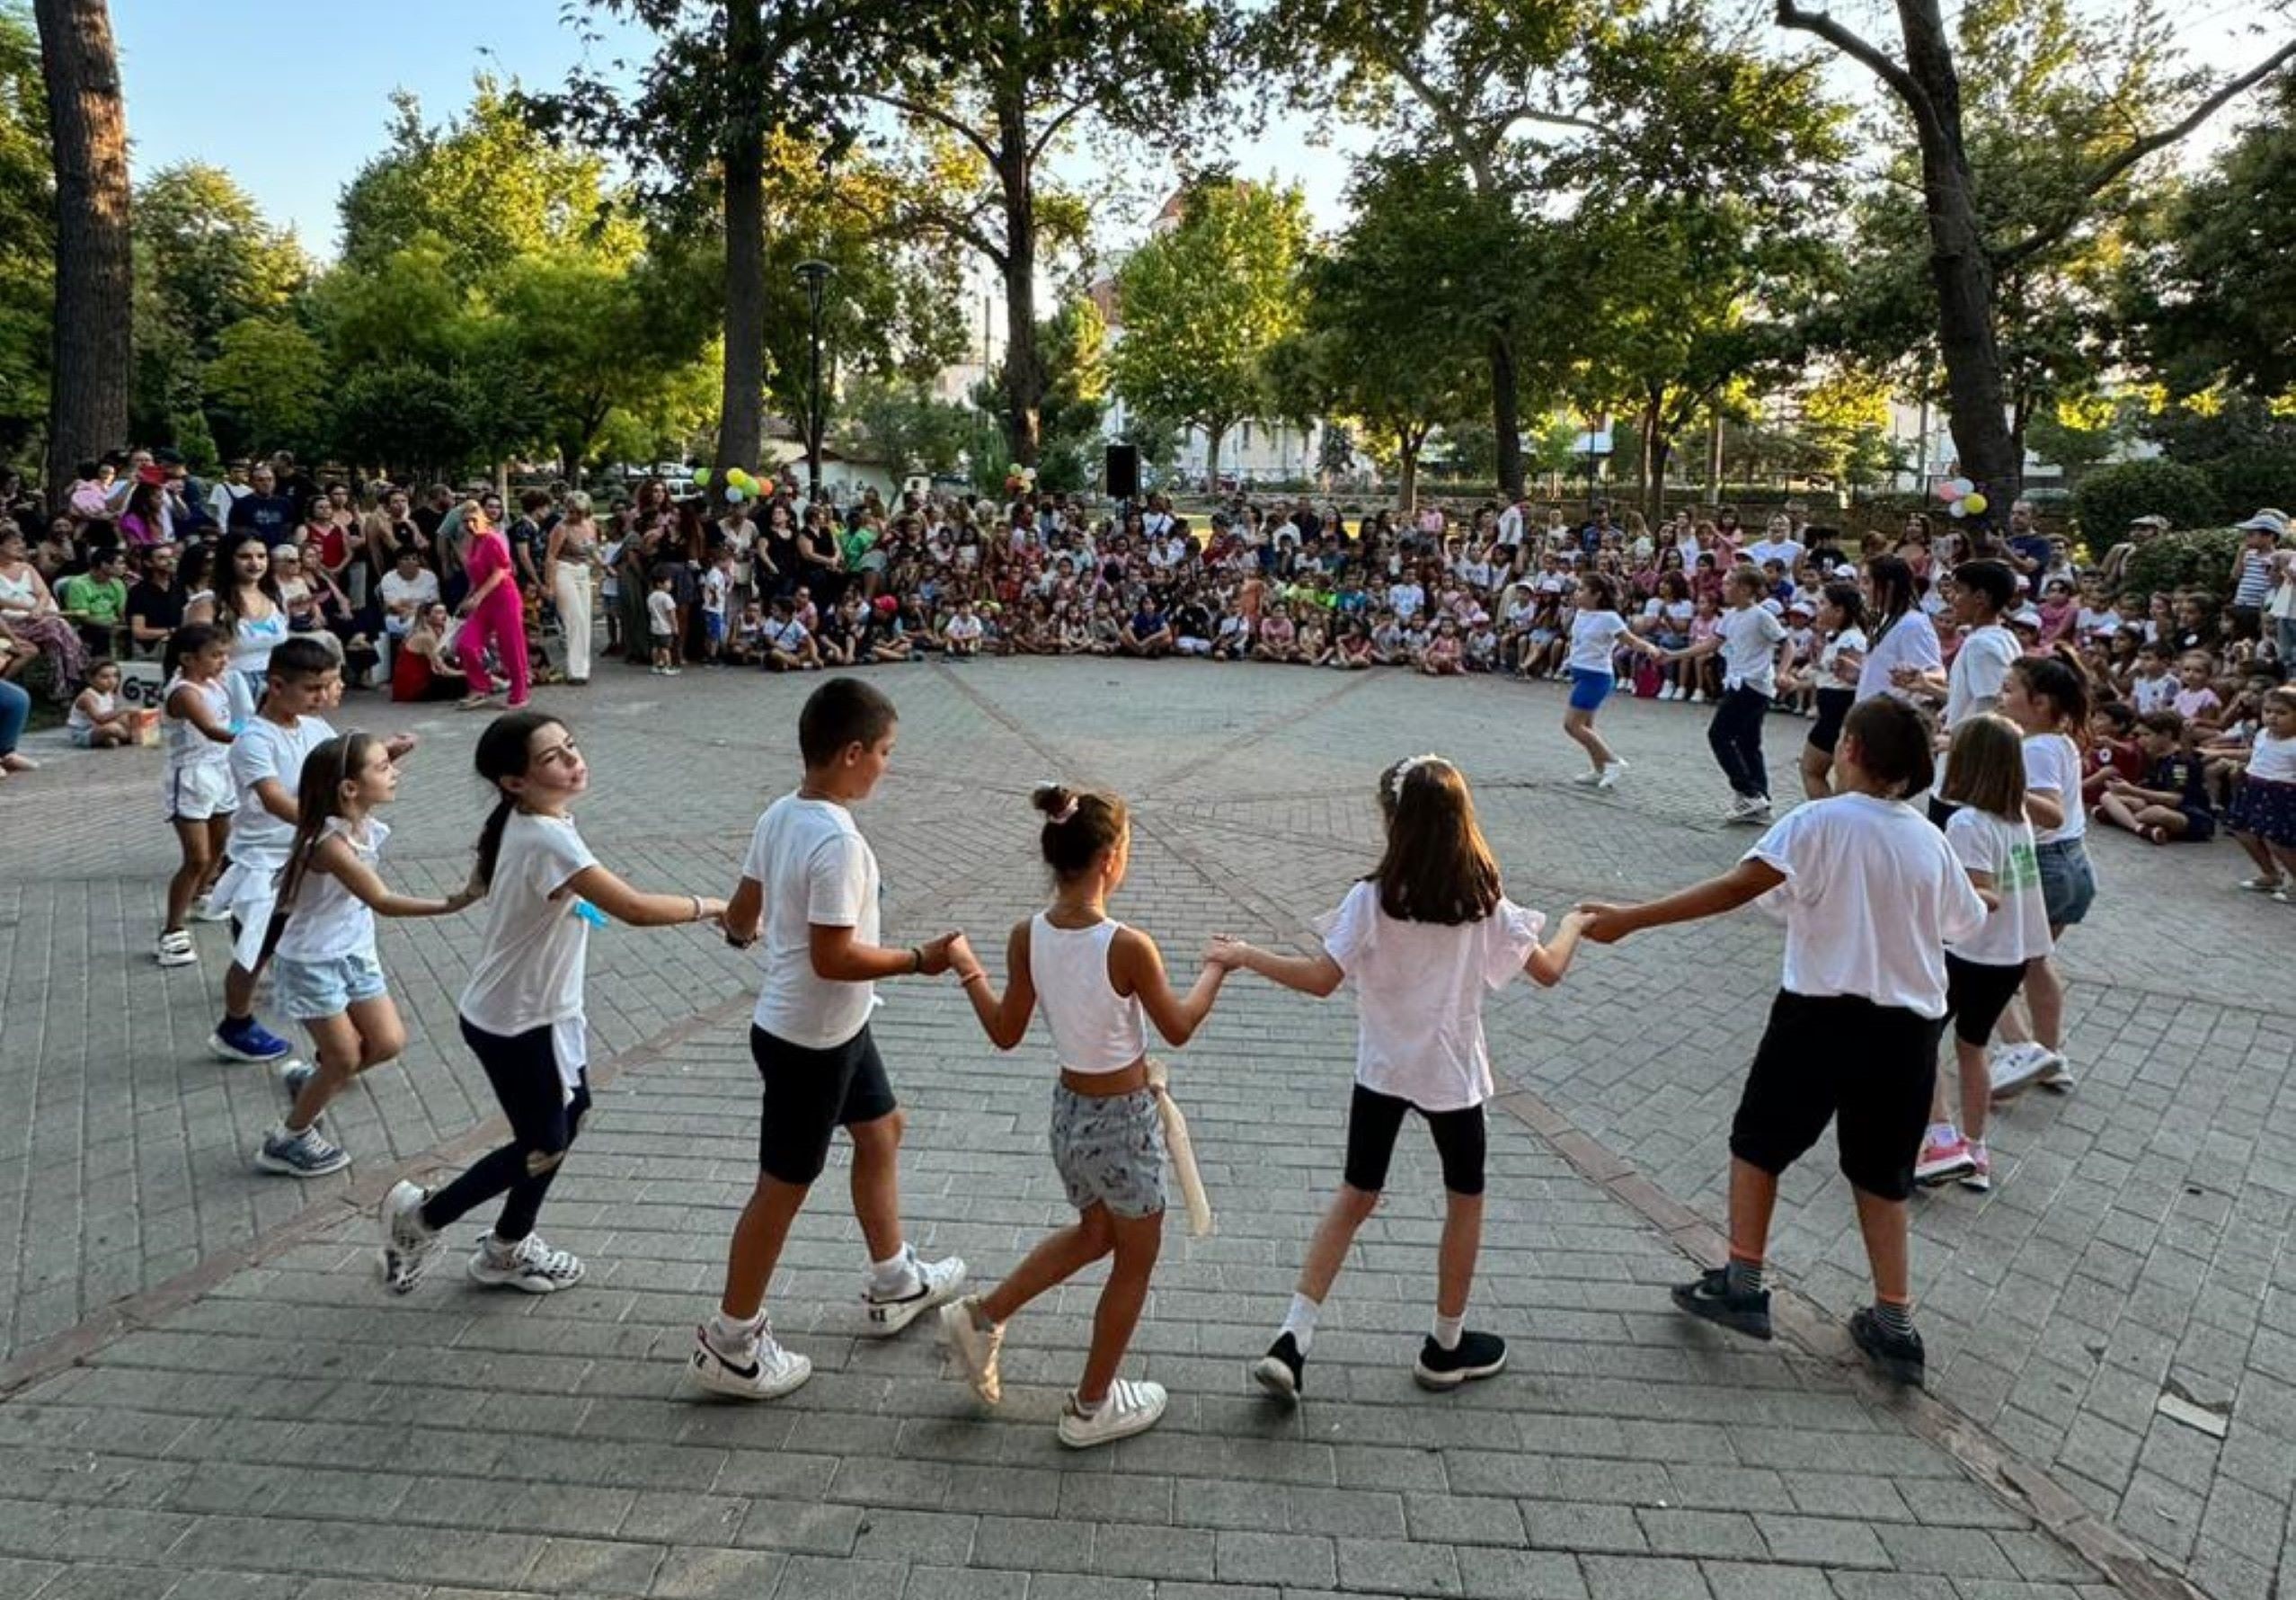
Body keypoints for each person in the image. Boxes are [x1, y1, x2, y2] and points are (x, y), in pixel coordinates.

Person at [1579, 698, 1987, 1388]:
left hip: (1819, 1015)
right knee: (1880, 1172)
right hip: (1908, 1031)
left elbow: (1739, 886)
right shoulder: (1927, 839)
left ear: (1850, 748)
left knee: (1758, 1142)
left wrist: (1631, 918)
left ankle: (1743, 1279)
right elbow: (1964, 922)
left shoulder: (1818, 821)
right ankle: (1895, 1322)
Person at [1212, 755, 1590, 1401]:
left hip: (1382, 1071)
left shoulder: (1372, 898)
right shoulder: (1481, 899)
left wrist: (1245, 956)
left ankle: (1293, 1336)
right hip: (1452, 1076)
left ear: (1392, 821)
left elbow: (1320, 980)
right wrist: (1576, 923)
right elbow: (1549, 970)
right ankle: (1445, 1345)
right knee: (1463, 1200)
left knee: (1355, 1196)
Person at [379, 712, 727, 1293]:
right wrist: (714, 905)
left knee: (568, 1118)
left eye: (572, 746)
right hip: (516, 1021)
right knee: (544, 1143)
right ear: (514, 781)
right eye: (553, 758)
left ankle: (506, 1246)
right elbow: (635, 908)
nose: (573, 760)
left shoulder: (538, 820)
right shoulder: (543, 835)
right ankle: (421, 1219)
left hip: (542, 1011)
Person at [689, 678, 967, 1400]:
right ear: (850, 754)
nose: (886, 765)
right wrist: (919, 958)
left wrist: (749, 930)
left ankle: (894, 1278)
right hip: (809, 1037)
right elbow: (833, 956)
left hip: (836, 1024)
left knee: (881, 1131)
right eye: (884, 751)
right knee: (780, 1191)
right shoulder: (837, 843)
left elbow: (741, 915)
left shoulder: (783, 812)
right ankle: (730, 1341)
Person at [935, 784, 1228, 1446]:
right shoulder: (1126, 944)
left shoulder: (1026, 935)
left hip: (1069, 1116)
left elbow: (1006, 1032)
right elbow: (1177, 1026)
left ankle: (981, 1316)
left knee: (1096, 1233)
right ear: (1110, 858)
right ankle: (1093, 1405)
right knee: (1135, 1259)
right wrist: (1218, 968)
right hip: (1121, 1122)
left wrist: (966, 968)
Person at [253, 733, 482, 1176]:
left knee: (387, 1042)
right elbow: (381, 899)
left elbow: (344, 761)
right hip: (312, 961)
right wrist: (455, 902)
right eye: (383, 769)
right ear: (348, 789)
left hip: (354, 951)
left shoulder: (357, 821)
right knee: (344, 1057)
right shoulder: (329, 846)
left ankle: (314, 1081)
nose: (395, 773)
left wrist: (380, 752)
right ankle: (288, 1137)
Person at [1910, 717, 2048, 1193]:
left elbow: (1974, 894)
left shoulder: (1968, 823)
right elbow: (2023, 890)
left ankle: (1940, 1137)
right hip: (2010, 956)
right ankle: (1977, 1146)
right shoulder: (2019, 820)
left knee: (1920, 1041)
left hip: (1967, 952)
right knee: (1973, 1047)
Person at [1985, 655, 2092, 1098]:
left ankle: (2021, 1049)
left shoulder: (2038, 748)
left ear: (2041, 702)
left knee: (1989, 963)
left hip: (2043, 866)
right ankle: (2047, 1054)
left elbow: (2049, 811)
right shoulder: (2056, 740)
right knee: (2034, 959)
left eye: (2009, 689)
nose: (2000, 696)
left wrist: (1994, 783)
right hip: (2072, 864)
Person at [1666, 566, 1787, 823]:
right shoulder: (1730, 617)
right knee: (1747, 743)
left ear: (1744, 588)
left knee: (1719, 735)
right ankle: (1759, 801)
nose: (1724, 587)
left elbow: (1787, 643)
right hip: (1735, 681)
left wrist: (1782, 672)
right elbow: (1711, 644)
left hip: (1753, 685)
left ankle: (1748, 791)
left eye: (1729, 583)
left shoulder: (1761, 616)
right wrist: (1673, 655)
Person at [156, 625, 238, 968]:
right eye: (215, 655)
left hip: (221, 773)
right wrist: (262, 735)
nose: (223, 661)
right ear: (188, 659)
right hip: (190, 777)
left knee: (222, 845)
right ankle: (172, 931)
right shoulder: (185, 692)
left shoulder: (214, 684)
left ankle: (203, 896)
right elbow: (213, 730)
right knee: (197, 858)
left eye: (224, 654)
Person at [1560, 573, 1661, 790]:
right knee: (1587, 726)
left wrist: (1649, 648)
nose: (1576, 594)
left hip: (1597, 676)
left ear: (1597, 595)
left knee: (1571, 725)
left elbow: (1629, 640)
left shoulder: (1609, 618)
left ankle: (1613, 762)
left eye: (1582, 590)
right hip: (1581, 672)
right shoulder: (1580, 614)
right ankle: (1598, 770)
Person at [1792, 582, 1868, 800]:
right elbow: (1827, 678)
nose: (1819, 610)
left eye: (1823, 603)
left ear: (1839, 610)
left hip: (1839, 711)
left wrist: (1835, 666)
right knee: (1817, 770)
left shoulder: (1851, 639)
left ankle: (1831, 818)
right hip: (1831, 709)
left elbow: (1851, 676)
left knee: (1814, 770)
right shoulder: (1837, 637)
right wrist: (1798, 684)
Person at [456, 501, 531, 710]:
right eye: (465, 521)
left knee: (511, 646)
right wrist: (469, 597)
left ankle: (520, 690)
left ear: (482, 518)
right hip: (484, 600)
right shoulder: (473, 543)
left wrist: (478, 597)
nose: (470, 524)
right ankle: (480, 687)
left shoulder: (492, 540)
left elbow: (500, 571)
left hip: (504, 598)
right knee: (466, 644)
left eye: (473, 519)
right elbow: (475, 576)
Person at [2226, 686, 2296, 899]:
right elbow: (2256, 755)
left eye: (2282, 713)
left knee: (2277, 840)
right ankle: (2270, 873)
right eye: (2268, 711)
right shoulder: (2263, 734)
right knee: (2243, 831)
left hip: (2282, 793)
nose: (2273, 717)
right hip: (2254, 786)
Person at [545, 491, 600, 684]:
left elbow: (592, 549)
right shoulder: (561, 528)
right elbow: (551, 557)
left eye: (578, 512)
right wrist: (550, 585)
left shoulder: (591, 525)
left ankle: (583, 666)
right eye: (571, 511)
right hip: (564, 570)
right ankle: (576, 670)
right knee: (574, 618)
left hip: (583, 571)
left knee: (585, 620)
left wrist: (603, 566)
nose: (574, 516)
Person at [66, 659, 132, 748]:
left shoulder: (108, 692)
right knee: (112, 728)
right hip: (83, 732)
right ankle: (131, 737)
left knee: (125, 717)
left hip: (99, 727)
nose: (112, 681)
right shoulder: (87, 697)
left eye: (115, 676)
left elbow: (111, 713)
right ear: (90, 679)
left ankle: (108, 739)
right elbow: (100, 718)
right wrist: (123, 710)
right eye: (105, 677)